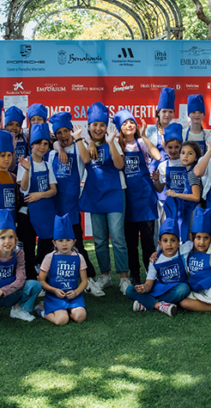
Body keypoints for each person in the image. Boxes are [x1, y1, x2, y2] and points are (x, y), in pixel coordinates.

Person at [78, 102, 131, 294]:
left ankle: (124, 278)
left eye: (102, 124)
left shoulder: (113, 141)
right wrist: (89, 142)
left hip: (115, 193)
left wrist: (109, 143)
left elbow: (119, 165)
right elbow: (84, 160)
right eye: (95, 124)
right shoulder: (83, 144)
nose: (98, 128)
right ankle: (105, 276)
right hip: (94, 195)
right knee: (99, 239)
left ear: (106, 126)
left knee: (117, 237)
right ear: (89, 127)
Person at [48, 111, 102, 296]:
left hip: (71, 205)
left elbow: (86, 160)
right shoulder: (52, 152)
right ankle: (54, 281)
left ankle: (90, 278)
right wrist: (59, 148)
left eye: (66, 131)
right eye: (59, 133)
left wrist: (80, 140)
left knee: (75, 244)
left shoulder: (80, 147)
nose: (63, 136)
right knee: (53, 245)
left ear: (72, 131)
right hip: (54, 204)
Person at [115, 109, 162, 284]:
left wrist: (144, 137)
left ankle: (152, 275)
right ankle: (135, 275)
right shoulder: (117, 145)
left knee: (149, 243)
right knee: (131, 243)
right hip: (127, 200)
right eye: (125, 123)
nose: (129, 125)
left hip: (145, 198)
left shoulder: (141, 143)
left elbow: (157, 155)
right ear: (120, 127)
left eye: (132, 122)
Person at [124, 218, 191, 317]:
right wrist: (144, 288)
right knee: (129, 290)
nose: (169, 244)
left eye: (173, 240)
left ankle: (146, 303)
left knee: (184, 289)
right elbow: (148, 284)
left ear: (178, 243)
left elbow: (199, 241)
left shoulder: (184, 250)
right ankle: (159, 305)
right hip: (159, 288)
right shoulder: (155, 259)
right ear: (159, 243)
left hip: (177, 287)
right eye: (165, 240)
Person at [17, 123, 58, 277]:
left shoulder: (48, 165)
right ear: (32, 145)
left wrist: (39, 195)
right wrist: (27, 170)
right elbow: (24, 189)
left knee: (47, 243)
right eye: (39, 143)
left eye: (46, 143)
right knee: (28, 246)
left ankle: (40, 271)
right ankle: (29, 277)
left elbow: (53, 190)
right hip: (28, 212)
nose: (42, 146)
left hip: (45, 211)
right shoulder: (24, 163)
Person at [37, 214, 88, 325]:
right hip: (55, 295)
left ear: (74, 241)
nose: (64, 243)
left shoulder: (79, 257)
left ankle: (67, 310)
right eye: (60, 240)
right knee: (61, 320)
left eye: (68, 240)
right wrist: (54, 290)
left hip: (74, 296)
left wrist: (76, 292)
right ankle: (41, 311)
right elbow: (41, 280)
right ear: (54, 243)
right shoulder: (49, 257)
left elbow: (84, 281)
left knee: (80, 317)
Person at [154, 124, 201, 240]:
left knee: (188, 235)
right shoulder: (163, 166)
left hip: (188, 206)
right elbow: (159, 189)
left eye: (177, 147)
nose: (173, 150)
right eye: (170, 147)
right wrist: (156, 180)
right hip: (172, 207)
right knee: (172, 234)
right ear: (165, 147)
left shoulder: (187, 163)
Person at [145, 87, 176, 171]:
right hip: (153, 171)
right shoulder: (150, 131)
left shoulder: (175, 129)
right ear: (158, 113)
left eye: (170, 112)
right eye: (164, 111)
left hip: (171, 170)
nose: (167, 114)